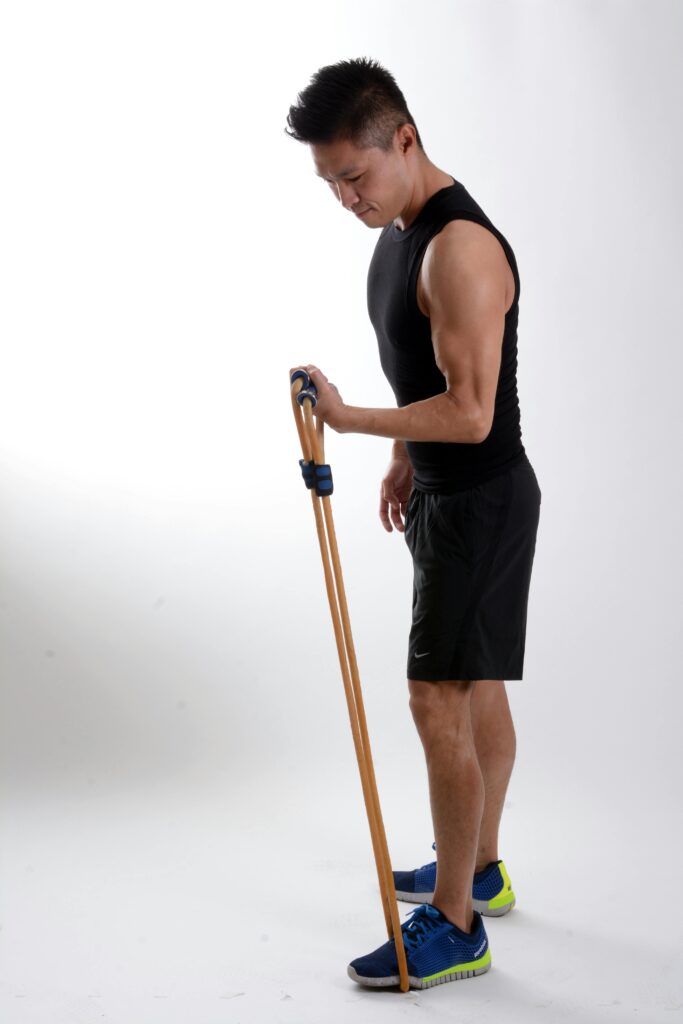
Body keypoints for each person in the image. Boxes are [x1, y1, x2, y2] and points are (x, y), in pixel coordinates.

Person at [285, 57, 542, 991]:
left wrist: (356, 425)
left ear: (404, 138)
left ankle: (456, 926)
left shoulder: (458, 248)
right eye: (329, 183)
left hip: (479, 498)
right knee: (472, 687)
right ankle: (479, 867)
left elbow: (471, 411)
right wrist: (402, 454)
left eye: (353, 175)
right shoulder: (398, 230)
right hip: (445, 491)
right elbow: (426, 379)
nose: (343, 197)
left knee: (435, 698)